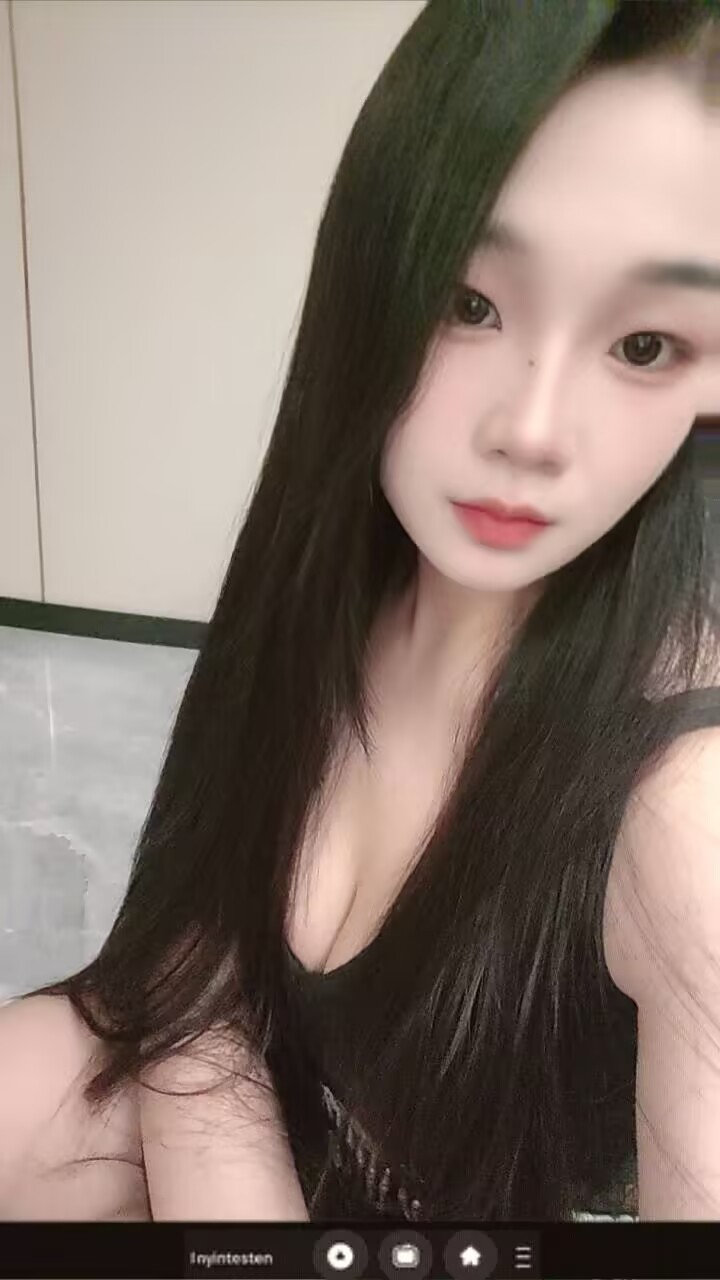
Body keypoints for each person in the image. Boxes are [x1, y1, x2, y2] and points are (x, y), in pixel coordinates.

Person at [1, 0, 720, 1225]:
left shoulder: (684, 818)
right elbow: (193, 952)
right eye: (468, 301)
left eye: (645, 343)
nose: (532, 431)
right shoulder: (332, 582)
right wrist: (225, 1163)